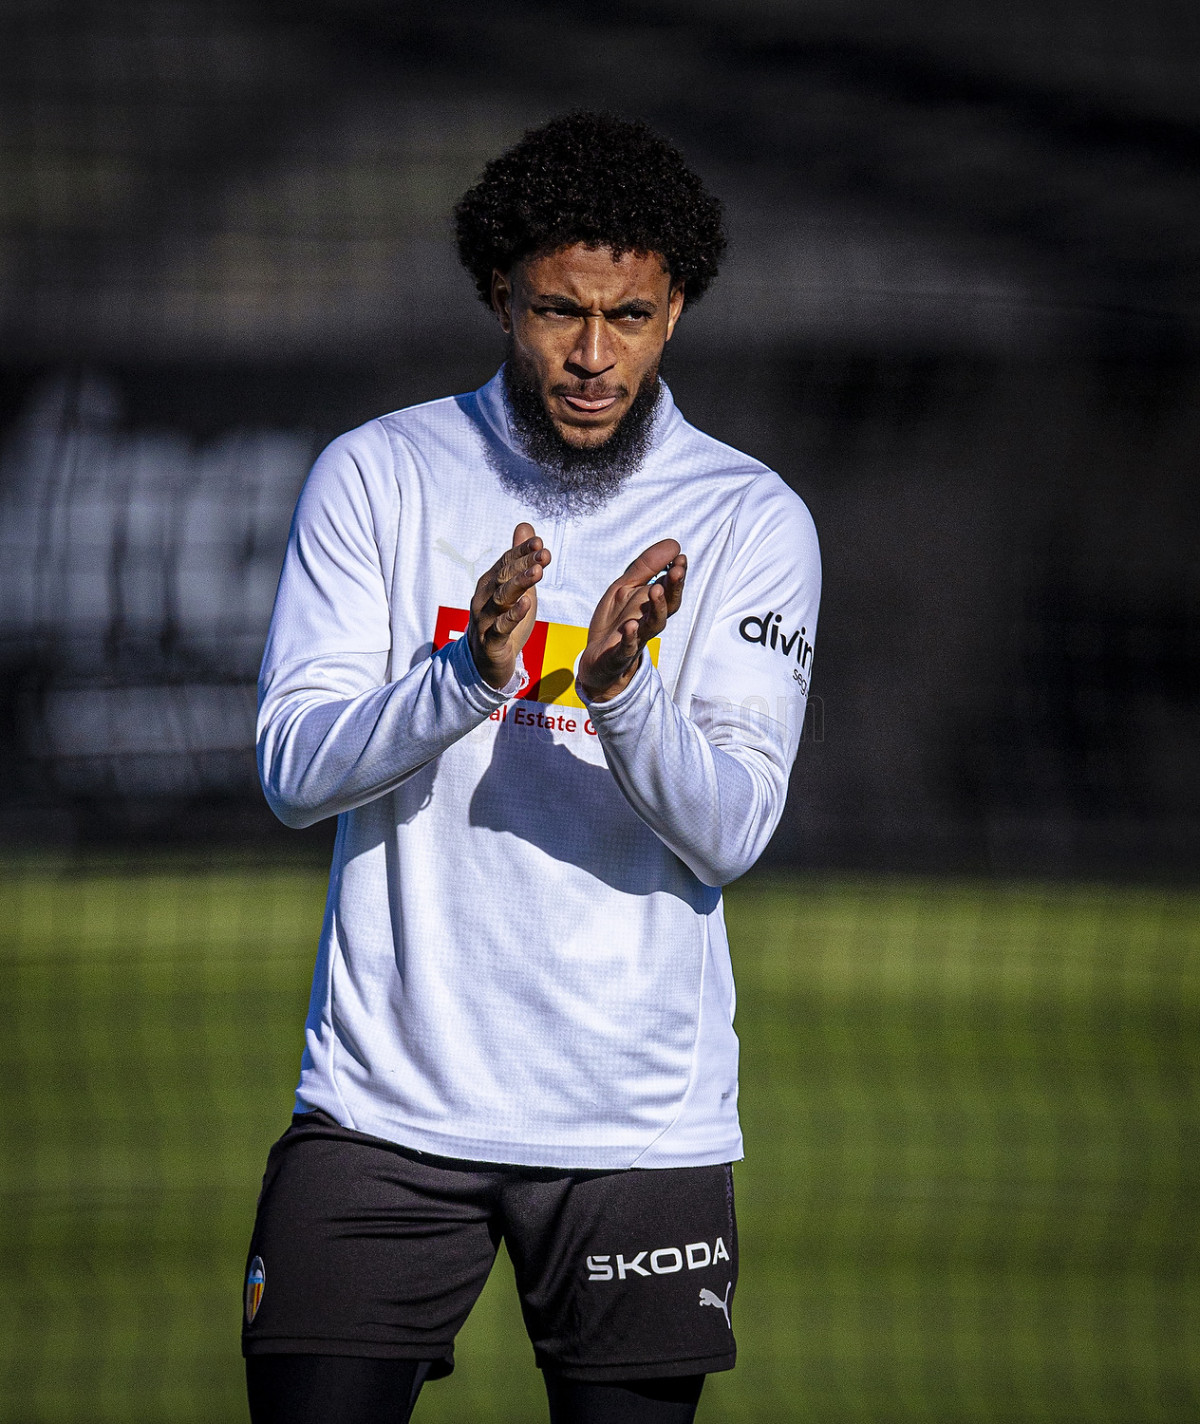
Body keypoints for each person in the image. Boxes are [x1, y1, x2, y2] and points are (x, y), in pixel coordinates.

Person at [243, 110, 820, 1424]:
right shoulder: (378, 475)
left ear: (677, 311)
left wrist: (621, 694)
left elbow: (732, 830)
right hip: (380, 1114)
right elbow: (292, 769)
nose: (593, 355)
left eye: (630, 316)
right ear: (500, 295)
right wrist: (466, 675)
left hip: (639, 1133)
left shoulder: (751, 516)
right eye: (560, 311)